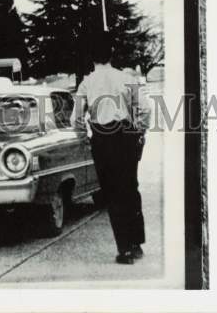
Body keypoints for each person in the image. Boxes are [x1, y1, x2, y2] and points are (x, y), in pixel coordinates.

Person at [71, 31, 151, 265]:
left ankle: (124, 248)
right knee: (130, 188)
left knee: (113, 194)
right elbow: (145, 110)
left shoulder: (86, 83)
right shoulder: (126, 78)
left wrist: (85, 137)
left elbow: (76, 118)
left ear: (91, 56)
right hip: (126, 137)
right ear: (112, 53)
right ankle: (136, 244)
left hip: (102, 141)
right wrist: (140, 131)